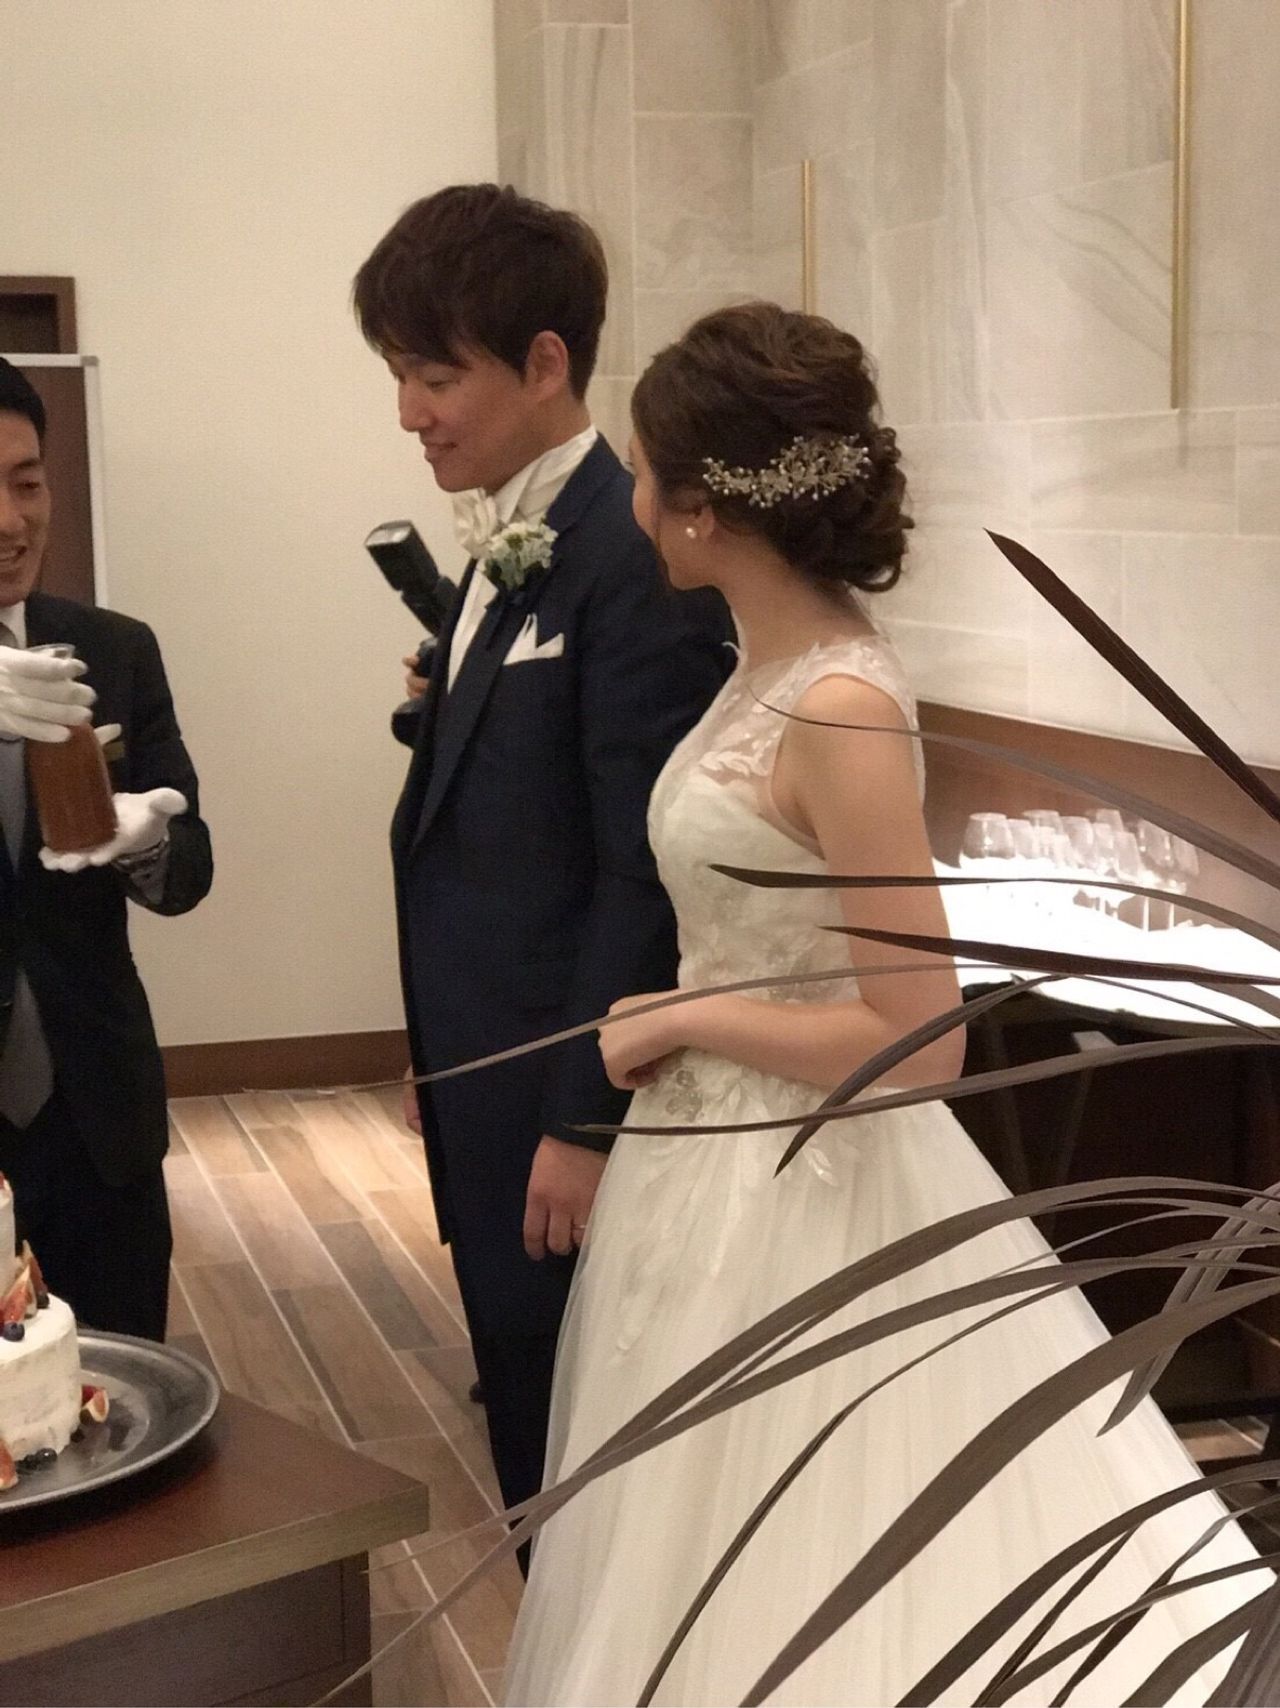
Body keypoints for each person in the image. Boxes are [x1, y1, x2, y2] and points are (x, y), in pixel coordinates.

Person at [503, 305, 1263, 1705]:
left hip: (811, 1175)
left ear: (708, 505)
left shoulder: (841, 704)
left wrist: (682, 1019)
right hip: (717, 1166)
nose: (635, 499)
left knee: (818, 1544)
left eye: (647, 472)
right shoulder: (761, 667)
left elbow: (918, 1035)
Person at [352, 185, 731, 1537]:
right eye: (399, 374)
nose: (409, 411)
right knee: (526, 1421)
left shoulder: (629, 555)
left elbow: (642, 867)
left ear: (546, 362)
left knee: (582, 1460)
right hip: (488, 1070)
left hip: (566, 1097)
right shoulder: (511, 538)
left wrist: (583, 1119)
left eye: (433, 374)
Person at [0, 357, 211, 1341]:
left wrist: (147, 842)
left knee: (127, 1379)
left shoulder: (116, 648)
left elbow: (190, 871)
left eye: (27, 483)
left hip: (99, 1114)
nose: (10, 521)